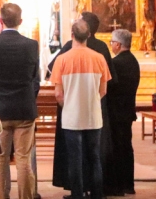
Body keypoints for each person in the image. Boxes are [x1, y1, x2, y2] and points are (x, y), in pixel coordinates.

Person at [47, 12, 115, 196]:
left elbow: (58, 93)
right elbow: (103, 91)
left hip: (71, 117)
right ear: (89, 35)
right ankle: (98, 194)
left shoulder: (62, 59)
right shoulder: (99, 57)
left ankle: (77, 195)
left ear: (72, 35)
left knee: (75, 158)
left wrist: (67, 105)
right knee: (95, 158)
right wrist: (91, 102)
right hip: (93, 115)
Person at [0, 4, 39, 199]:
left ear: (1, 21)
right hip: (24, 108)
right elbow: (33, 75)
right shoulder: (31, 45)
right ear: (20, 22)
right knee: (23, 160)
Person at [107, 29, 141, 196]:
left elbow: (110, 87)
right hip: (127, 111)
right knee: (126, 148)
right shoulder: (133, 61)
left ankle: (118, 186)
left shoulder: (116, 63)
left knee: (117, 149)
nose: (111, 45)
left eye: (112, 42)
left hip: (115, 112)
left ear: (118, 44)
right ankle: (128, 184)